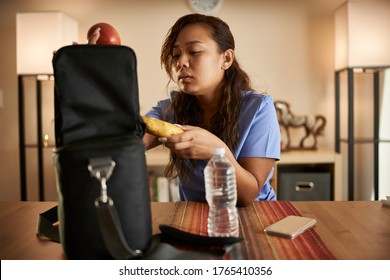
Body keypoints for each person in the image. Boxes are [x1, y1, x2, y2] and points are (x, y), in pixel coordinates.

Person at [90, 14, 280, 207]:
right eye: (176, 54)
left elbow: (248, 195)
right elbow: (125, 141)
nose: (181, 62)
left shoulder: (259, 109)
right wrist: (98, 72)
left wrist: (218, 152)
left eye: (194, 51)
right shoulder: (170, 109)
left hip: (257, 216)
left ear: (226, 58)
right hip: (193, 218)